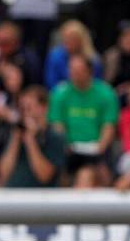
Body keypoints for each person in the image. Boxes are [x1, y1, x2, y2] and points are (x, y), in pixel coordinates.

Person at [48, 55, 119, 187]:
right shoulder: (60, 93)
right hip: (69, 148)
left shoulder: (106, 93)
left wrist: (98, 150)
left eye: (79, 71)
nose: (74, 74)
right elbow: (57, 125)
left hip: (97, 148)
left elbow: (109, 126)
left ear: (89, 72)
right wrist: (66, 145)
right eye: (72, 70)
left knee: (88, 174)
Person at [0, 85, 65, 187]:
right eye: (22, 109)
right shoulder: (14, 132)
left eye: (29, 108)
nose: (25, 113)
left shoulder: (54, 136)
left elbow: (44, 176)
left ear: (44, 108)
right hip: (13, 195)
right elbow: (3, 174)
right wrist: (15, 140)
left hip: (42, 198)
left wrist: (30, 141)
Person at [44, 20, 102, 90]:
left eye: (72, 38)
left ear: (81, 39)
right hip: (62, 95)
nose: (68, 41)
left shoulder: (93, 59)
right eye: (66, 38)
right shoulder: (55, 56)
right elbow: (51, 82)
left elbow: (97, 83)